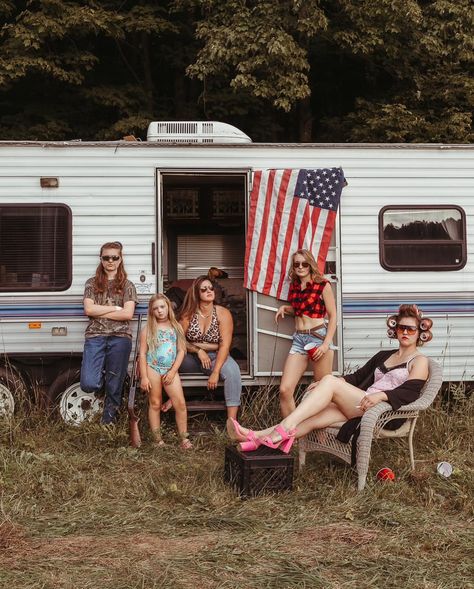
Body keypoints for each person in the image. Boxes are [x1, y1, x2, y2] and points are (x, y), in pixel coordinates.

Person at [228, 304, 433, 453]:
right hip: (360, 404)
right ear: (395, 330)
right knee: (310, 419)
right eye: (401, 328)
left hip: (383, 413)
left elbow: (410, 393)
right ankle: (254, 438)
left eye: (411, 329)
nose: (405, 332)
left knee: (329, 380)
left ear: (420, 333)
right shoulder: (384, 355)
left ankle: (279, 431)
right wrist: (331, 384)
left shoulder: (419, 360)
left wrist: (381, 396)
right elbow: (357, 377)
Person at [80, 241, 138, 424]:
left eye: (115, 257)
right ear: (101, 259)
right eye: (106, 257)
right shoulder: (91, 283)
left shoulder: (128, 285)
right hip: (95, 336)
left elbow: (128, 314)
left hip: (120, 338)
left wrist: (101, 309)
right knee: (89, 383)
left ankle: (108, 423)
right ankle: (103, 378)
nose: (110, 261)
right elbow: (88, 310)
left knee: (115, 385)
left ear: (120, 259)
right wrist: (115, 308)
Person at [275, 249, 337, 417]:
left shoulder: (323, 285)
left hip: (317, 337)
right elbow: (300, 310)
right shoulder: (295, 286)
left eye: (304, 264)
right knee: (285, 390)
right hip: (299, 339)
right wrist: (285, 308)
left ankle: (323, 438)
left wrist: (326, 344)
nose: (301, 267)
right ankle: (293, 435)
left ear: (310, 265)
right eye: (297, 264)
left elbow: (333, 316)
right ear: (293, 267)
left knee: (322, 390)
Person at [176, 275, 242, 420]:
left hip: (215, 356)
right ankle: (172, 399)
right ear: (196, 293)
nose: (209, 291)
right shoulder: (188, 314)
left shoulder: (223, 313)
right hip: (190, 358)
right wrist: (198, 351)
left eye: (211, 288)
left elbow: (225, 345)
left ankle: (232, 422)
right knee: (172, 359)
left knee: (233, 372)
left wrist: (216, 372)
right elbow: (179, 340)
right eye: (204, 289)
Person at [138, 294, 192, 449]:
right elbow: (142, 353)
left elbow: (181, 351)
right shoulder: (148, 329)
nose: (160, 311)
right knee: (155, 403)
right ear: (151, 311)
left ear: (168, 307)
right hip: (152, 367)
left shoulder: (176, 327)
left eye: (162, 307)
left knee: (180, 403)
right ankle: (157, 440)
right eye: (155, 308)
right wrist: (144, 377)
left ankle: (184, 439)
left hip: (170, 370)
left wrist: (173, 371)